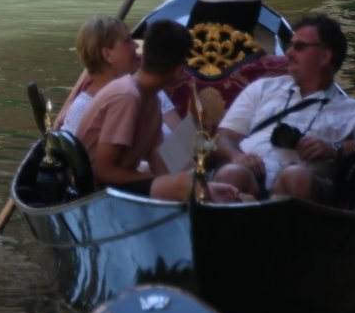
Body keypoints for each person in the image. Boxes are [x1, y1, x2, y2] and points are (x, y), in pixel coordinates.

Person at [210, 13, 355, 201]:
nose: (289, 53)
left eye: (299, 47)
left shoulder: (354, 109)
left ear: (325, 56)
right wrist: (236, 156)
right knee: (231, 173)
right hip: (250, 175)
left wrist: (337, 148)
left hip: (305, 185)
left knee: (296, 177)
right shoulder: (263, 88)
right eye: (289, 46)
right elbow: (224, 137)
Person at [75, 20, 242, 202]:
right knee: (187, 183)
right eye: (129, 41)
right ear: (179, 71)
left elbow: (160, 163)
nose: (134, 47)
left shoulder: (152, 100)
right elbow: (103, 171)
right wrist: (174, 183)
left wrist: (204, 185)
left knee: (195, 182)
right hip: (94, 193)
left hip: (118, 185)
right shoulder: (127, 95)